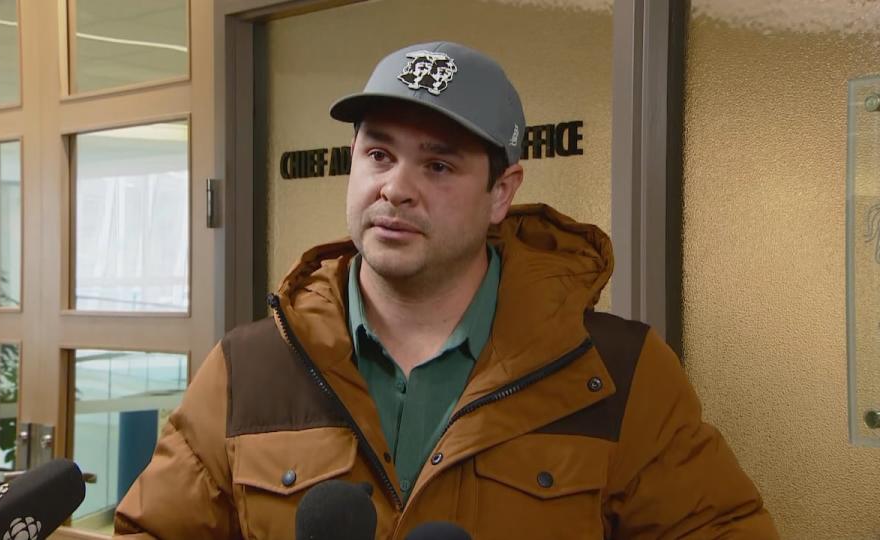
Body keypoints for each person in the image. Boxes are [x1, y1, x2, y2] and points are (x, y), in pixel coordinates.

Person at [113, 41, 778, 539]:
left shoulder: (618, 373)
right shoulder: (247, 369)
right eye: (378, 155)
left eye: (437, 164)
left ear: (502, 193)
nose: (396, 188)